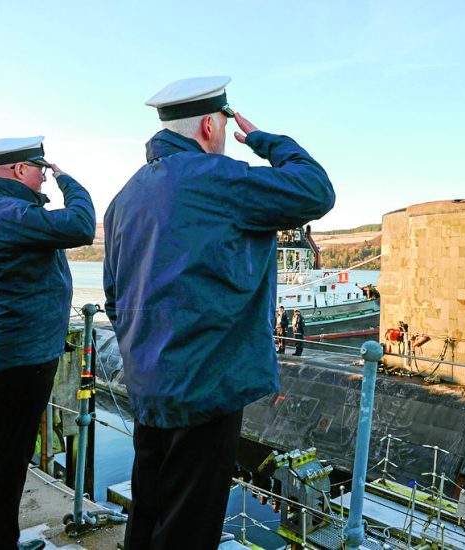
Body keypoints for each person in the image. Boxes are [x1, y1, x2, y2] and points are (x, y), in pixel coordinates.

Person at [103, 76, 335, 549]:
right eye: (225, 129)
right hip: (206, 384)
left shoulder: (125, 198)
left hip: (149, 382)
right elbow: (316, 191)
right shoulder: (218, 178)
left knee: (148, 511)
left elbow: (113, 294)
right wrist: (266, 141)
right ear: (210, 124)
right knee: (191, 526)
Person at [0, 136, 95, 550]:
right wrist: (70, 181)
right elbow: (82, 225)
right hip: (17, 362)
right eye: (40, 168)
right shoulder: (12, 211)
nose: (45, 176)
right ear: (18, 170)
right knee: (3, 468)